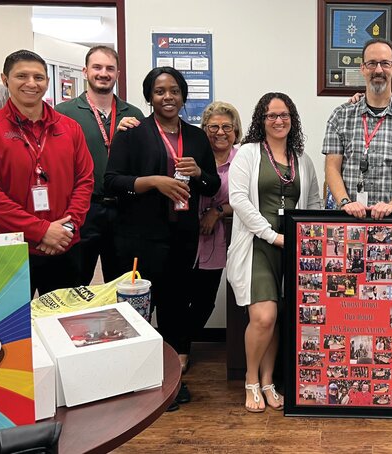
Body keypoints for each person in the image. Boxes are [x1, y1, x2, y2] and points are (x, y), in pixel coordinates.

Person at [104, 66, 220, 412]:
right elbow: (111, 182)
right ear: (149, 97)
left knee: (174, 309)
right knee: (137, 312)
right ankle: (131, 383)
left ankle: (168, 384)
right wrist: (154, 181)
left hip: (181, 238)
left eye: (174, 91)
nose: (167, 97)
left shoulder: (197, 137)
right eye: (159, 91)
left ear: (184, 96)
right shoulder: (133, 132)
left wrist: (199, 173)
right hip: (139, 238)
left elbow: (212, 186)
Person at [0, 49, 93, 296]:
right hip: (10, 249)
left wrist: (66, 230)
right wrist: (42, 231)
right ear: (5, 80)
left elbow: (85, 180)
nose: (31, 84)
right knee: (12, 329)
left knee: (63, 325)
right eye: (21, 76)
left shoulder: (70, 129)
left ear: (47, 81)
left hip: (65, 246)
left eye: (39, 77)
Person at [226, 92, 322, 413]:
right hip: (257, 245)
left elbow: (314, 202)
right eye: (271, 116)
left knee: (278, 316)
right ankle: (251, 380)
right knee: (263, 316)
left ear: (292, 119)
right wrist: (272, 236)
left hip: (294, 248)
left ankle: (268, 381)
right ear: (261, 120)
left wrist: (308, 238)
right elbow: (239, 200)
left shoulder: (302, 158)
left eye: (284, 115)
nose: (278, 121)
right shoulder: (248, 153)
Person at [55, 46, 145, 284]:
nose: (103, 73)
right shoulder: (64, 113)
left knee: (122, 284)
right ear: (85, 71)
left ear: (117, 74)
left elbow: (142, 161)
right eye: (97, 67)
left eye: (110, 68)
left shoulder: (133, 113)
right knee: (75, 282)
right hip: (83, 210)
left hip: (124, 210)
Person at [323, 38, 392, 219]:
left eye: (385, 63)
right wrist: (345, 203)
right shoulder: (340, 116)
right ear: (363, 68)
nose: (378, 70)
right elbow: (332, 168)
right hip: (349, 220)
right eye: (372, 63)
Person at [184, 101, 242, 370]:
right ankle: (178, 349)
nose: (220, 132)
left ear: (235, 130)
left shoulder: (242, 159)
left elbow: (245, 200)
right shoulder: (194, 154)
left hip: (218, 236)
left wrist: (217, 210)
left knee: (205, 299)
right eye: (214, 127)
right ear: (204, 129)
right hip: (185, 233)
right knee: (179, 293)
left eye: (227, 127)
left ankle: (182, 342)